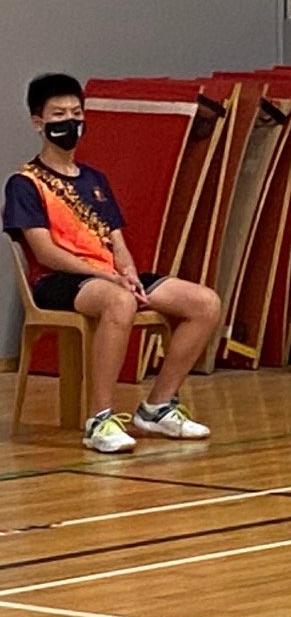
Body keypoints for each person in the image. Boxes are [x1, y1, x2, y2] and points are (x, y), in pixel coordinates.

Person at [4, 73, 222, 453]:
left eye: (76, 112)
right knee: (118, 302)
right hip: (58, 281)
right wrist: (105, 275)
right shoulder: (24, 183)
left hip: (106, 276)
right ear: (38, 122)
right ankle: (100, 419)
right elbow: (45, 252)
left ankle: (156, 406)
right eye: (58, 114)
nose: (69, 122)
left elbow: (116, 240)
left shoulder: (94, 179)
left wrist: (128, 274)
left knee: (204, 303)